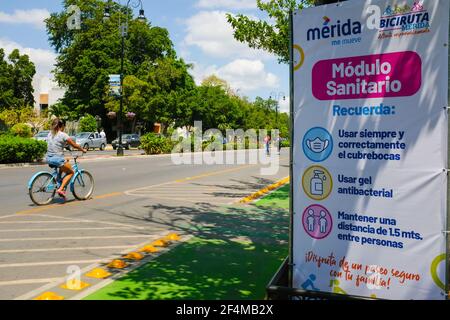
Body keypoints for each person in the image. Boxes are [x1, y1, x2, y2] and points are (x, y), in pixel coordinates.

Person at [46, 118, 86, 198]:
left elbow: (56, 143)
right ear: (63, 126)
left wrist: (66, 146)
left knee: (65, 161)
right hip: (57, 159)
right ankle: (61, 189)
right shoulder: (63, 134)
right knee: (71, 172)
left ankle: (59, 180)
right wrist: (82, 149)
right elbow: (74, 145)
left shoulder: (50, 133)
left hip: (48, 158)